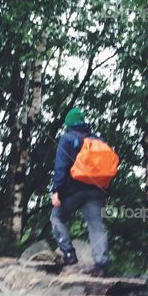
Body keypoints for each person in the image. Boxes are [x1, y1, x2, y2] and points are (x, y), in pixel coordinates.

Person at [50, 107, 110, 275]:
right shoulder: (99, 141)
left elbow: (61, 167)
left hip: (73, 190)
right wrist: (105, 193)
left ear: (68, 124)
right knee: (96, 226)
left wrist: (56, 191)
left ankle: (69, 254)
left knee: (56, 217)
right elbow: (107, 169)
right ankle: (101, 265)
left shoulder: (67, 139)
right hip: (96, 191)